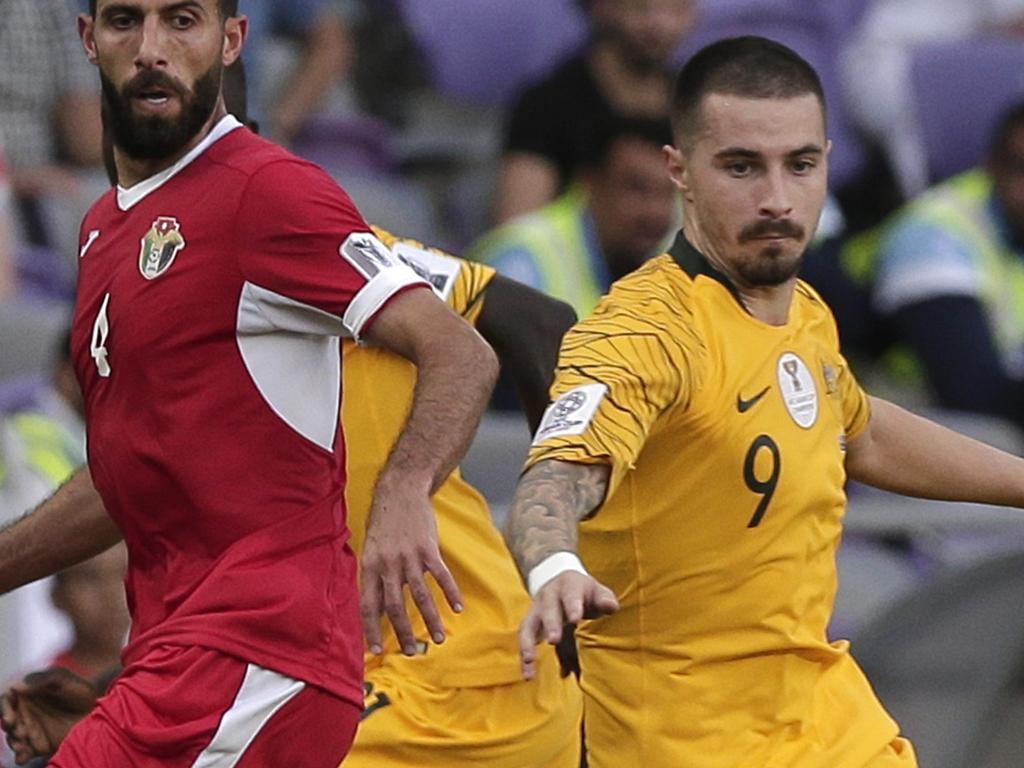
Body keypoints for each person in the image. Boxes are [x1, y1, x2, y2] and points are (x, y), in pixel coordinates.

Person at [504, 35, 1024, 768]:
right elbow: (558, 472)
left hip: (829, 724)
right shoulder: (645, 331)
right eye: (742, 166)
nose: (777, 198)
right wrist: (553, 565)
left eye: (800, 165)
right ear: (680, 172)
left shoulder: (803, 311)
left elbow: (862, 431)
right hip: (690, 745)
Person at [0, 2, 498, 766]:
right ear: (88, 40)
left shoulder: (266, 191)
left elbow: (460, 351)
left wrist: (402, 495)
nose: (152, 48)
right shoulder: (105, 226)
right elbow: (129, 478)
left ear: (232, 41)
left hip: (262, 653)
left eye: (183, 21)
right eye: (126, 21)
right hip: (184, 665)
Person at [1, 229, 584, 768]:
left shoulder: (314, 245)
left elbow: (538, 322)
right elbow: (140, 491)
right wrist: (110, 694)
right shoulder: (180, 321)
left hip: (464, 679)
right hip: (347, 681)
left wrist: (560, 569)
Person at [871, 101, 1024, 429]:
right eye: (1022, 168)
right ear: (991, 167)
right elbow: (974, 396)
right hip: (909, 417)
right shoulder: (933, 235)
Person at [494, 0, 696, 223]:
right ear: (601, 6)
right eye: (641, 8)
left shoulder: (696, 103)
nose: (660, 25)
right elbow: (517, 229)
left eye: (677, 8)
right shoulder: (547, 104)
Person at [472, 118, 678, 320]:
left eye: (667, 193)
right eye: (637, 188)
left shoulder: (671, 256)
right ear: (590, 182)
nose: (656, 211)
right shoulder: (522, 261)